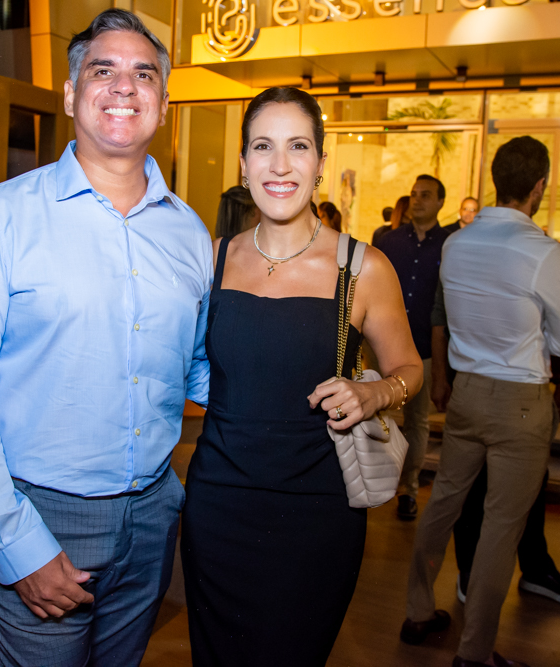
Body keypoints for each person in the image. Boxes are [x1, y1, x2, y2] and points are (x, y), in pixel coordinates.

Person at [0, 10, 211, 666]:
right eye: (103, 70)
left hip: (153, 514)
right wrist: (16, 543)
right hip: (38, 513)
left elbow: (195, 366)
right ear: (70, 93)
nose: (124, 86)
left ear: (163, 103)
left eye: (144, 74)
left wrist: (303, 387)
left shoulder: (189, 233)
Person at [181, 87, 423, 667]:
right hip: (218, 505)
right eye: (263, 146)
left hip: (317, 511)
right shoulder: (212, 258)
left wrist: (375, 392)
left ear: (319, 163)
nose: (280, 165)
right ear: (244, 164)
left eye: (298, 146)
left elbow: (410, 369)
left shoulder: (363, 267)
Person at [402, 136, 560, 667]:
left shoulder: (458, 244)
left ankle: (417, 611)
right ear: (539, 187)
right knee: (501, 527)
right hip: (520, 401)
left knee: (444, 504)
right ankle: (475, 652)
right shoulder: (542, 252)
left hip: (467, 392)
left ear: (496, 181)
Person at [431, 284, 560, 609]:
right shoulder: (461, 256)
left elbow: (553, 325)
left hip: (528, 386)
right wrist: (439, 376)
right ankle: (470, 571)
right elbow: (440, 320)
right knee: (472, 482)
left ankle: (536, 568)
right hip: (475, 381)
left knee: (533, 481)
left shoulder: (535, 257)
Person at [375, 175, 448, 520]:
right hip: (383, 344)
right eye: (414, 194)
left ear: (440, 202)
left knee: (417, 423)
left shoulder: (449, 245)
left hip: (425, 347)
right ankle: (377, 485)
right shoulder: (388, 242)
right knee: (382, 416)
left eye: (426, 195)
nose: (417, 200)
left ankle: (408, 490)